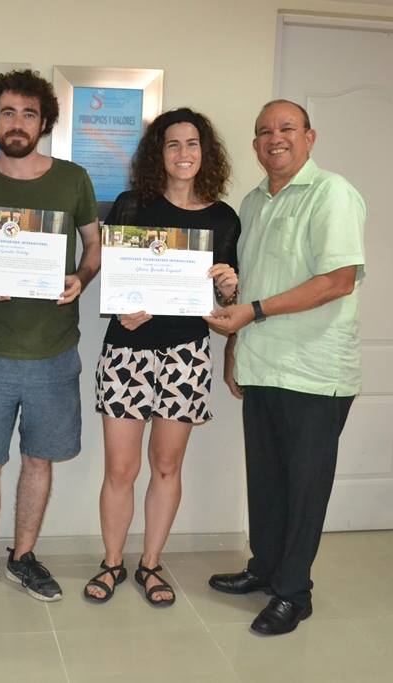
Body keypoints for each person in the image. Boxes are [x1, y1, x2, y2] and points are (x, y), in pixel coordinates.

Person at [204, 99, 366, 636]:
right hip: (263, 363)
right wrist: (234, 347)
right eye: (264, 131)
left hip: (315, 371)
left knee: (304, 488)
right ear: (255, 145)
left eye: (287, 128)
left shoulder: (332, 194)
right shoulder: (251, 202)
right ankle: (266, 569)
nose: (276, 138)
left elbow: (337, 280)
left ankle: (294, 593)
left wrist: (254, 312)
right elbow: (249, 283)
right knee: (268, 482)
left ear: (310, 137)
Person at [0, 69, 100, 610]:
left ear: (44, 121)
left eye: (29, 113)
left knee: (40, 461)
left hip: (55, 353)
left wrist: (81, 279)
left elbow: (93, 247)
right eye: (8, 112)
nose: (18, 123)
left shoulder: (73, 179)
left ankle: (24, 556)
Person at [84, 109, 239, 606]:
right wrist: (123, 307)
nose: (184, 154)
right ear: (159, 153)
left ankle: (150, 565)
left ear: (205, 152)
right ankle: (112, 563)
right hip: (127, 352)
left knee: (167, 466)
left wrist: (230, 289)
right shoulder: (132, 205)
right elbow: (115, 276)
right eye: (172, 145)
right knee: (120, 470)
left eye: (193, 144)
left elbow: (225, 300)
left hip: (186, 356)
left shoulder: (223, 218)